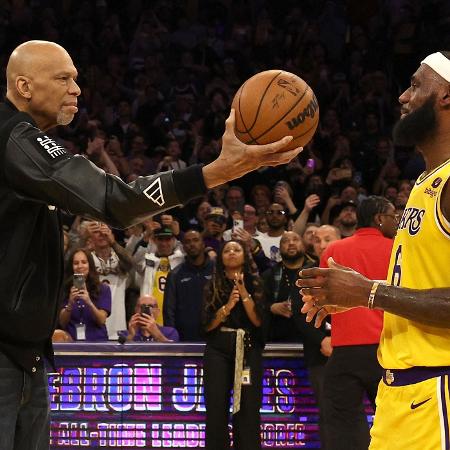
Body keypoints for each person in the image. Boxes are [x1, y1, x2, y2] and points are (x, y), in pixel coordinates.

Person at [0, 40, 299, 450]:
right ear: (24, 86)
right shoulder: (16, 138)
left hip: (24, 354)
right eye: (63, 78)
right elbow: (114, 200)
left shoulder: (21, 143)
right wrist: (212, 173)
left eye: (76, 79)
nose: (77, 89)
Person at [298, 51, 450, 449]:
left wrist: (368, 292)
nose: (402, 96)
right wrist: (355, 294)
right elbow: (427, 284)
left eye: (416, 84)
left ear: (447, 96)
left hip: (439, 390)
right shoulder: (425, 182)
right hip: (398, 393)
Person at [317, 196, 397, 450]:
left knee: (342, 425)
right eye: (392, 216)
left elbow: (321, 298)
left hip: (344, 352)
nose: (396, 221)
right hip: (387, 350)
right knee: (394, 422)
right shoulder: (397, 249)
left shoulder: (333, 251)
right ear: (379, 219)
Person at [262, 231, 330, 448]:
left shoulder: (315, 270)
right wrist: (271, 307)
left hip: (317, 346)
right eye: (285, 241)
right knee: (287, 409)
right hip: (279, 347)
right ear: (278, 248)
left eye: (294, 239)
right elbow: (257, 307)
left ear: (303, 244)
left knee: (327, 408)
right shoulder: (270, 274)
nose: (290, 243)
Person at [201, 240, 266, 450]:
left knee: (248, 407)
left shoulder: (256, 283)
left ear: (244, 256)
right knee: (216, 405)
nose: (231, 253)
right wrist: (228, 306)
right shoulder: (211, 283)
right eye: (227, 250)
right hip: (218, 349)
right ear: (220, 257)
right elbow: (207, 325)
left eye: (236, 250)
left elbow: (258, 321)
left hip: (247, 350)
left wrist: (243, 293)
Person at [163, 230, 214, 341]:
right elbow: (169, 310)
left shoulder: (217, 271)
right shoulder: (175, 275)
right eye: (187, 242)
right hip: (184, 338)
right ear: (183, 247)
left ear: (203, 244)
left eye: (196, 240)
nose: (192, 244)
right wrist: (171, 336)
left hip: (214, 336)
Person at [59, 248, 111, 341]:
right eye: (76, 263)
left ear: (90, 265)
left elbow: (101, 320)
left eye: (84, 262)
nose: (80, 266)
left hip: (97, 343)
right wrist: (70, 304)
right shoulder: (63, 289)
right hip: (72, 342)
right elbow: (62, 323)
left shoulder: (103, 289)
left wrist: (89, 302)